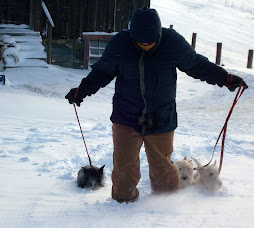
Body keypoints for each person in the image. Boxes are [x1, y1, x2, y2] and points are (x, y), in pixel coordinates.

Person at [65, 7, 248, 203]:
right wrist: (82, 90)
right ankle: (123, 206)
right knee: (124, 167)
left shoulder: (172, 42)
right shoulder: (120, 43)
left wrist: (225, 78)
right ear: (132, 34)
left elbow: (196, 65)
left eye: (150, 40)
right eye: (140, 41)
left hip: (161, 117)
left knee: (163, 168)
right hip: (126, 116)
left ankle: (165, 209)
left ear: (159, 33)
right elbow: (101, 72)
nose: (145, 44)